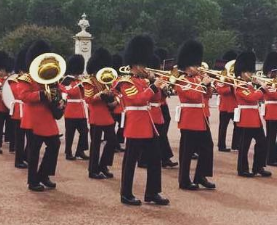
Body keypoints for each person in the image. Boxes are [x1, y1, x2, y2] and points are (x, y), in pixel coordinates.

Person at [117, 35, 169, 206]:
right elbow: (137, 100)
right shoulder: (125, 82)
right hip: (135, 124)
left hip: (148, 124)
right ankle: (126, 193)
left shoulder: (144, 81)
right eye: (142, 65)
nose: (144, 68)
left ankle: (152, 192)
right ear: (134, 65)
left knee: (155, 159)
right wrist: (153, 86)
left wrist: (156, 83)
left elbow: (157, 99)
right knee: (130, 162)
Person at [19, 40, 63, 192]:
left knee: (55, 145)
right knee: (33, 151)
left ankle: (43, 174)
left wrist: (59, 100)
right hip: (33, 118)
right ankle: (32, 181)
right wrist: (43, 94)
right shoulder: (27, 78)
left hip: (47, 117)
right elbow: (23, 95)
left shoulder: (51, 76)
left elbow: (57, 91)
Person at [172, 40, 216, 191]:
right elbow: (192, 95)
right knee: (187, 152)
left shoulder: (198, 79)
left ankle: (201, 176)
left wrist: (208, 85)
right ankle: (184, 180)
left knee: (207, 147)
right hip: (189, 119)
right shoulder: (181, 80)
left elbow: (207, 96)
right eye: (194, 65)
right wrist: (204, 84)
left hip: (202, 118)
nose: (197, 67)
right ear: (186, 65)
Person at [232, 51, 271, 177]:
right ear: (242, 72)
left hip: (254, 118)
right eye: (249, 71)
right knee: (244, 146)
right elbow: (252, 98)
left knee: (262, 143)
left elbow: (258, 97)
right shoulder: (239, 86)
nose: (251, 74)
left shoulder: (249, 85)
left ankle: (258, 167)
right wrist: (261, 88)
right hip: (246, 119)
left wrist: (259, 87)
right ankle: (242, 169)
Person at [83, 48, 118, 180]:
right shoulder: (89, 82)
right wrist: (99, 95)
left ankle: (103, 165)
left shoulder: (106, 80)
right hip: (96, 114)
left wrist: (114, 100)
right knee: (95, 143)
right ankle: (93, 170)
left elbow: (115, 93)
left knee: (112, 141)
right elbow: (88, 99)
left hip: (106, 114)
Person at [62, 54, 89, 161]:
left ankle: (80, 151)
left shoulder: (79, 81)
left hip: (81, 111)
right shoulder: (66, 80)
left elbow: (85, 95)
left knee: (84, 131)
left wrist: (83, 87)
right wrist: (78, 86)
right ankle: (68, 152)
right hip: (71, 111)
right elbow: (68, 92)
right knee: (70, 133)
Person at [10, 46, 30, 168]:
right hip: (18, 111)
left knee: (31, 137)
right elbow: (18, 94)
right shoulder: (14, 81)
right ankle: (18, 160)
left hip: (27, 111)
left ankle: (26, 155)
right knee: (20, 138)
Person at [216, 50, 239, 152]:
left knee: (237, 126)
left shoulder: (236, 76)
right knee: (223, 127)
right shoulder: (222, 76)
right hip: (225, 105)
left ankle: (236, 145)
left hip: (235, 105)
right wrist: (230, 87)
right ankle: (221, 145)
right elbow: (220, 90)